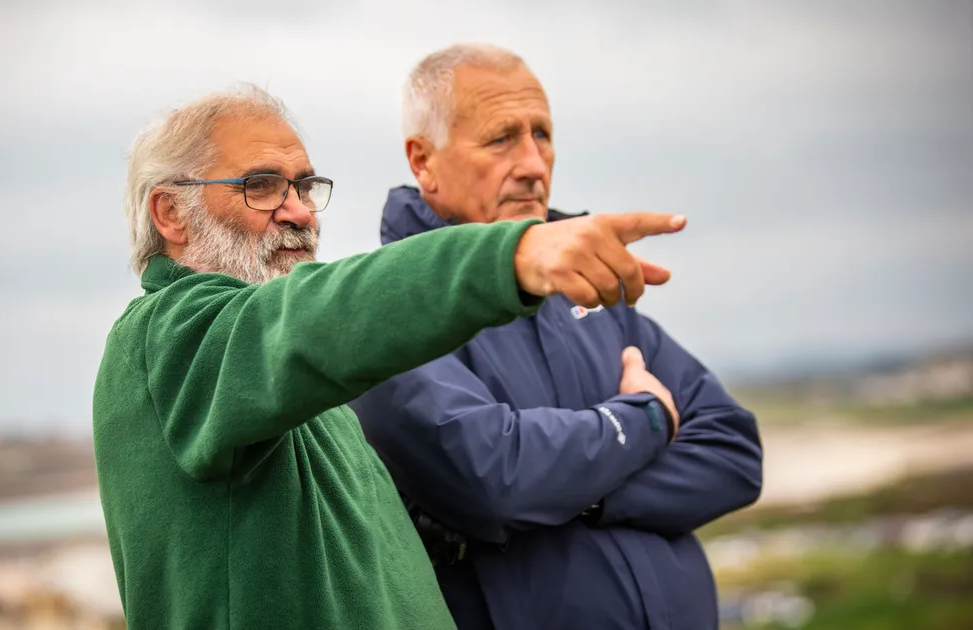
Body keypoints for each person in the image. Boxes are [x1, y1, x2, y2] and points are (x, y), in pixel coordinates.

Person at [92, 85, 688, 630]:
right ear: (170, 213)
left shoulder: (296, 392)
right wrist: (511, 257)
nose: (300, 211)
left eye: (303, 186)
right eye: (262, 185)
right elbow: (310, 316)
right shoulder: (168, 336)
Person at [349, 44, 764, 630]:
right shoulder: (392, 306)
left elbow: (734, 453)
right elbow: (493, 479)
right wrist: (645, 418)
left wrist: (586, 493)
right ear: (423, 161)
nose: (533, 164)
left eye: (542, 135)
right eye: (501, 139)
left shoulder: (587, 287)